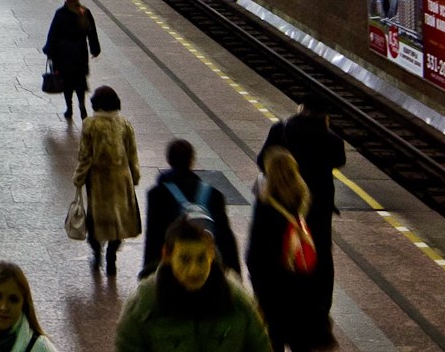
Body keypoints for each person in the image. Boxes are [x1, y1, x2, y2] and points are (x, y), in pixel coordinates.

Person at [114, 217, 271, 352]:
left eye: (201, 259)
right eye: (185, 259)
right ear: (167, 256)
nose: (194, 270)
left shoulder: (238, 301)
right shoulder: (142, 308)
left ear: (211, 254)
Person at [256, 95, 346, 309]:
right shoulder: (332, 140)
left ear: (301, 107)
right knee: (319, 254)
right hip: (317, 208)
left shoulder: (281, 129)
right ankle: (317, 307)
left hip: (280, 202)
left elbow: (262, 161)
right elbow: (339, 161)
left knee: (276, 249)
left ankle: (278, 302)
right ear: (326, 115)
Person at [247, 148, 330, 351]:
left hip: (274, 292)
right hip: (304, 292)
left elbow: (254, 255)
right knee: (301, 343)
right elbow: (321, 250)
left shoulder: (265, 207)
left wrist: (259, 291)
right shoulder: (308, 204)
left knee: (273, 341)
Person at [141, 139, 240, 279]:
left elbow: (153, 238)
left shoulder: (157, 194)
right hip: (204, 266)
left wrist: (148, 272)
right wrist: (235, 274)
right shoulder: (213, 194)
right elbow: (226, 238)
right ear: (191, 161)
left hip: (173, 268)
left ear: (169, 160)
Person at [74, 85, 141, 274]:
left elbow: (85, 156)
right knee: (117, 222)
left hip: (98, 182)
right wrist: (134, 176)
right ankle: (112, 257)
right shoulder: (125, 124)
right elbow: (132, 154)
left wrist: (79, 178)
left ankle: (97, 256)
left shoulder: (90, 124)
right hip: (121, 181)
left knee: (96, 222)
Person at [43, 0, 101, 120]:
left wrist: (49, 51)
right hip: (80, 53)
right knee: (80, 81)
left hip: (63, 55)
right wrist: (95, 49)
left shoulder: (60, 13)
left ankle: (69, 109)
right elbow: (91, 32)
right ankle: (82, 106)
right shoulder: (85, 12)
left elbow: (53, 35)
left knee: (67, 83)